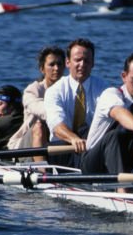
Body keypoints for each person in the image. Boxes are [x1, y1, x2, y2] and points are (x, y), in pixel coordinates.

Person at [82, 51, 133, 175]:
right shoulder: (111, 95)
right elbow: (120, 113)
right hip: (94, 163)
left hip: (128, 160)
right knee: (115, 136)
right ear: (124, 76)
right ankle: (122, 190)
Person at [43, 38, 110, 167]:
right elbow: (57, 126)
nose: (82, 64)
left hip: (92, 149)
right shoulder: (54, 91)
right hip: (63, 150)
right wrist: (74, 139)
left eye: (87, 61)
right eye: (78, 60)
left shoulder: (104, 89)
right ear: (68, 62)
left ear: (93, 63)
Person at [19, 45, 65, 159]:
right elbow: (44, 110)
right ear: (42, 69)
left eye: (60, 64)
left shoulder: (70, 89)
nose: (56, 68)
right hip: (28, 147)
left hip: (57, 141)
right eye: (51, 64)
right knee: (39, 126)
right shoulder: (32, 91)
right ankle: (41, 171)